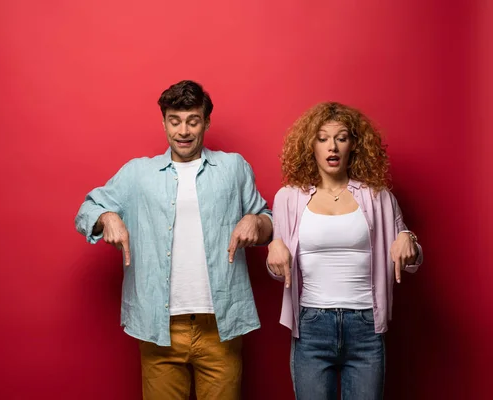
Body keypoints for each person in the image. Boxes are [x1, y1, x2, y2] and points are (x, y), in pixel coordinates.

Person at [75, 80, 272, 400]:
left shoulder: (234, 168)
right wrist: (107, 218)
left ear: (206, 122)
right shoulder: (138, 173)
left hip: (220, 326)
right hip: (158, 327)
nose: (183, 130)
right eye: (175, 120)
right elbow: (87, 209)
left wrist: (255, 220)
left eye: (193, 120)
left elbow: (269, 222)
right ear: (164, 121)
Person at [267, 102, 423, 400]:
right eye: (322, 138)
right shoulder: (288, 198)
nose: (332, 147)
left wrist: (408, 237)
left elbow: (411, 258)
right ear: (310, 145)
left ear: (354, 144)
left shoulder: (378, 197)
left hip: (365, 324)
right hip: (312, 325)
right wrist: (274, 246)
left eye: (341, 137)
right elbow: (278, 270)